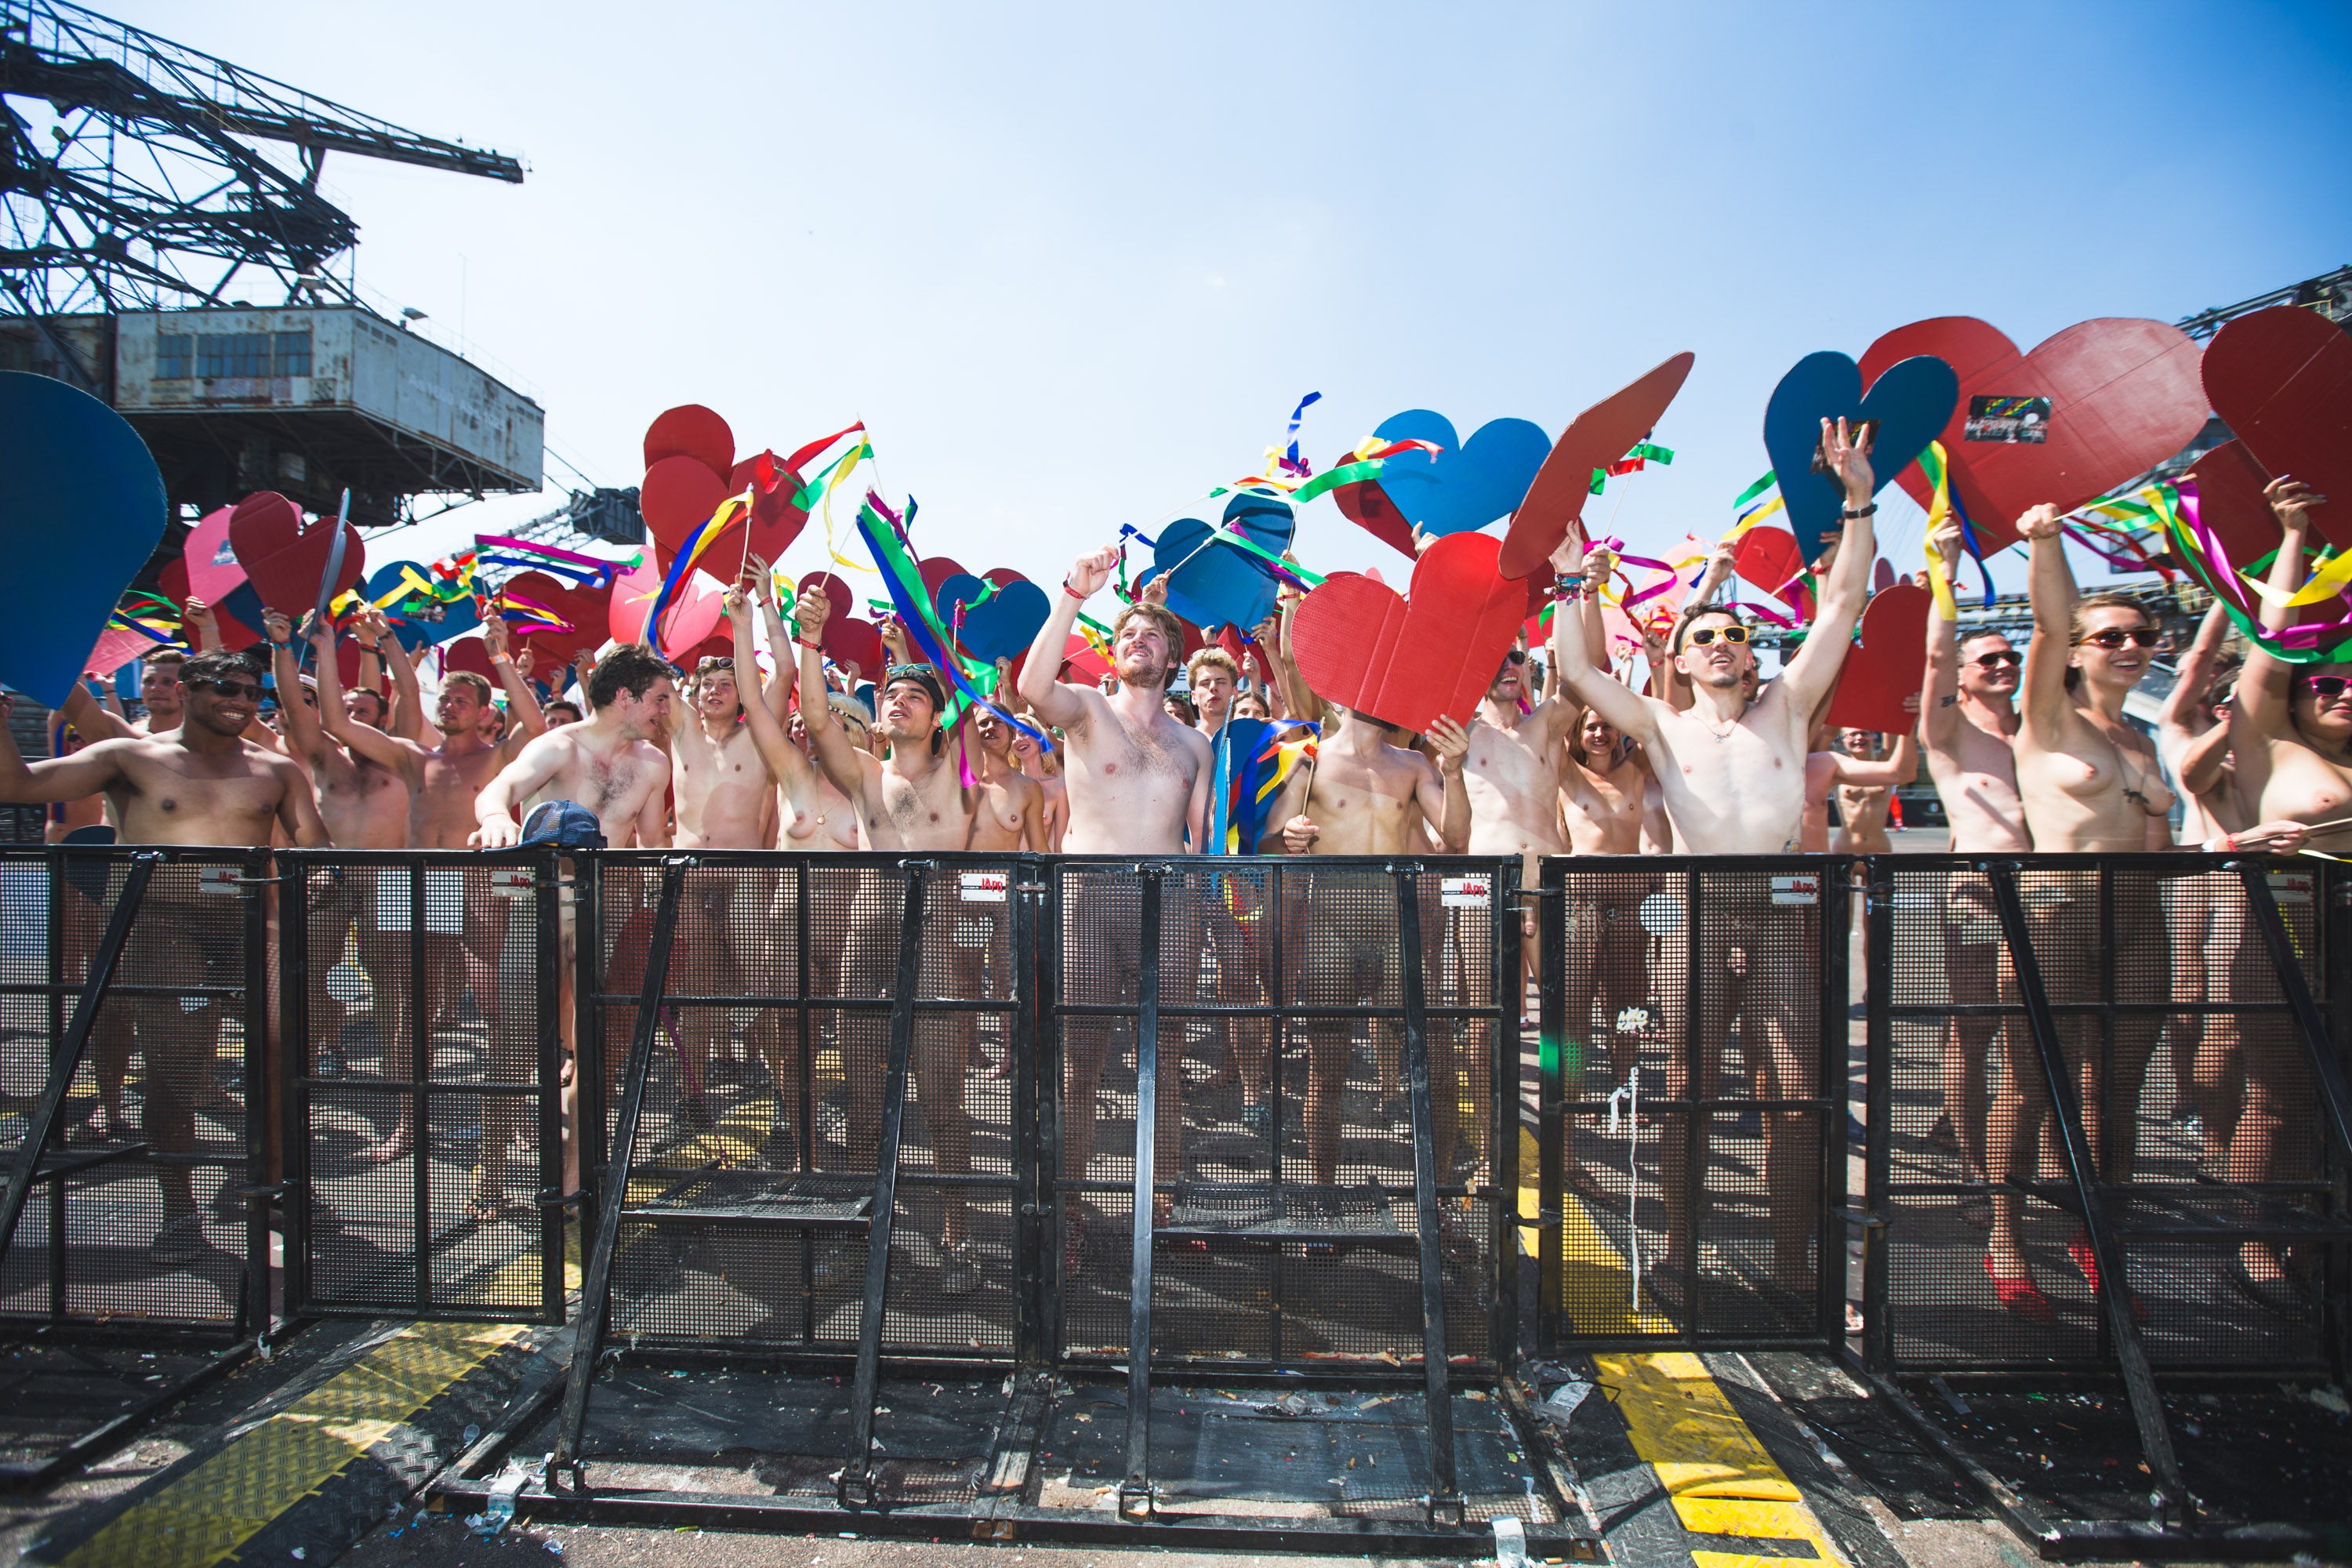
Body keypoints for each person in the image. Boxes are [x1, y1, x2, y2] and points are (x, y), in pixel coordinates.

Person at [1552, 417, 1881, 1305]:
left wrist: (1858, 500)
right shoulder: (1663, 726)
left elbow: (1845, 605)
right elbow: (1580, 671)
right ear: (1683, 659)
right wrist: (1573, 583)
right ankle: (1679, 1248)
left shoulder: (1790, 708)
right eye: (1705, 637)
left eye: (1734, 633)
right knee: (1685, 1087)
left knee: (1795, 1090)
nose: (1724, 643)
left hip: (1781, 913)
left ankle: (1790, 1261)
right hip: (1698, 917)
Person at [0, 652, 328, 1261]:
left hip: (252, 924)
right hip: (162, 926)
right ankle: (180, 1210)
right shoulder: (128, 758)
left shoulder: (276, 770)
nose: (240, 699)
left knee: (284, 1056)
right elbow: (17, 784)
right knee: (177, 1068)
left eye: (251, 692)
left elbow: (316, 848)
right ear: (187, 688)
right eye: (227, 687)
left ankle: (275, 1185)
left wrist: (316, 889)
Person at [789, 583, 1009, 1293]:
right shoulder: (861, 775)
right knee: (860, 1096)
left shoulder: (961, 774)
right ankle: (860, 1227)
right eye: (890, 694)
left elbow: (971, 701)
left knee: (943, 1099)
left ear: (937, 715)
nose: (899, 699)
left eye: (915, 695)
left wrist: (915, 644)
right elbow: (818, 717)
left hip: (940, 946)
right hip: (867, 939)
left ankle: (957, 1236)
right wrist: (812, 638)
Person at [1018, 546, 1214, 1268]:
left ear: (1171, 657)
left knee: (1162, 1065)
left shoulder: (1195, 741)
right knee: (1080, 1066)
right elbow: (1035, 685)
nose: (1137, 640)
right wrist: (1073, 591)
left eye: (1152, 635)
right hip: (1089, 900)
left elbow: (1199, 840)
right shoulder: (1089, 712)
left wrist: (1200, 907)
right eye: (1127, 633)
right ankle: (1069, 1207)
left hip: (1167, 903)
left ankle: (1158, 1202)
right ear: (1112, 649)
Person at [470, 642, 676, 1216]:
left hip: (606, 914)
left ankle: (572, 1176)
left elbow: (654, 846)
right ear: (625, 697)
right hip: (538, 908)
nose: (666, 709)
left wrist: (666, 896)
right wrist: (494, 821)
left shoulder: (654, 764)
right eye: (658, 698)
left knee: (595, 1049)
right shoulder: (558, 746)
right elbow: (498, 791)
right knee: (513, 1048)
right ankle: (490, 1172)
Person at [1269, 695, 1471, 1188]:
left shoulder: (1414, 763)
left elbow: (1458, 836)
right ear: (1338, 693)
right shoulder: (1307, 761)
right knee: (1327, 1070)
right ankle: (1323, 1192)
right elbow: (1268, 842)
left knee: (1438, 1067)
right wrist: (1289, 837)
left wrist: (1457, 770)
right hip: (1330, 925)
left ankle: (1442, 1196)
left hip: (1396, 925)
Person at [1918, 518, 2031, 1220]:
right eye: (1984, 659)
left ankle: (2027, 1164)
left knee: (2040, 1041)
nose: (1999, 665)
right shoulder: (1951, 732)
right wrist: (1946, 577)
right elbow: (1932, 660)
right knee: (1972, 1031)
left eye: (2006, 656)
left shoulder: (2044, 727)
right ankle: (1972, 1162)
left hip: (2054, 898)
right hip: (1977, 894)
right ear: (1962, 677)